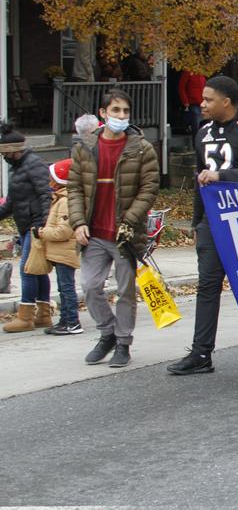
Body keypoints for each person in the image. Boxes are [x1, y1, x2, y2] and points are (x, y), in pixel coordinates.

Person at [167, 76, 238, 375]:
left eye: (208, 100)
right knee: (207, 285)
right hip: (212, 221)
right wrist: (196, 221)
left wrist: (223, 176)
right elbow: (199, 178)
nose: (201, 104)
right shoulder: (203, 132)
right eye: (202, 100)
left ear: (226, 102)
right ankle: (201, 354)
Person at [66, 90, 160, 366]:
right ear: (103, 113)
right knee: (90, 286)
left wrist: (130, 220)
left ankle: (123, 343)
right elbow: (74, 189)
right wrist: (78, 222)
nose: (121, 116)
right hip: (93, 232)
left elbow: (149, 188)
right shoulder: (85, 147)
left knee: (126, 291)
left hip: (125, 235)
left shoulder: (141, 148)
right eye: (116, 111)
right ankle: (107, 332)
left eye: (125, 112)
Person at [0, 122, 54, 333]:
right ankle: (43, 315)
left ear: (13, 151)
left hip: (35, 226)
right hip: (27, 225)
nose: (3, 157)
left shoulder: (34, 165)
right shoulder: (19, 169)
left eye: (4, 153)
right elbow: (11, 203)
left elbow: (45, 195)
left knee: (27, 270)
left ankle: (26, 317)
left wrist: (42, 225)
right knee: (38, 271)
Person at [39, 159, 83, 335]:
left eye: (51, 177)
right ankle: (65, 320)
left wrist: (42, 233)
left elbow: (63, 232)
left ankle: (72, 322)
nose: (49, 181)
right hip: (61, 252)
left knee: (66, 288)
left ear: (59, 180)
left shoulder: (66, 202)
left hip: (65, 251)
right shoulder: (61, 199)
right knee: (63, 287)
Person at [178, 70, 207, 134]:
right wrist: (185, 101)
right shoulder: (187, 72)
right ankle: (196, 141)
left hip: (201, 102)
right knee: (196, 120)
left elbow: (204, 87)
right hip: (192, 102)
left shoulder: (201, 73)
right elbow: (181, 88)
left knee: (202, 122)